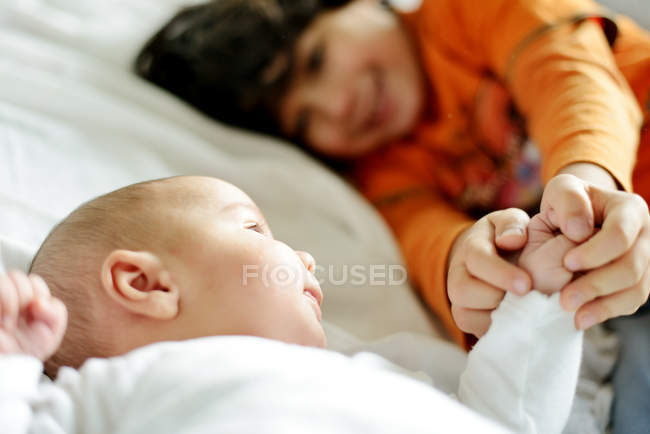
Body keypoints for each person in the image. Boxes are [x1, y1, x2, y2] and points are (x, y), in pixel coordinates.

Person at [134, 1, 650, 431]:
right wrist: (469, 270)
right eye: (306, 119)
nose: (337, 104)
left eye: (316, 61)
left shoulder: (465, 11)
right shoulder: (383, 174)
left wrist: (587, 185)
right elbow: (429, 243)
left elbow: (569, 77)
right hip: (620, 296)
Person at [1, 175, 582, 433]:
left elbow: (507, 416)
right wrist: (13, 361)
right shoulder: (112, 391)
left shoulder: (379, 367)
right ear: (148, 285)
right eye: (254, 227)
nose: (303, 255)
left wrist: (538, 299)